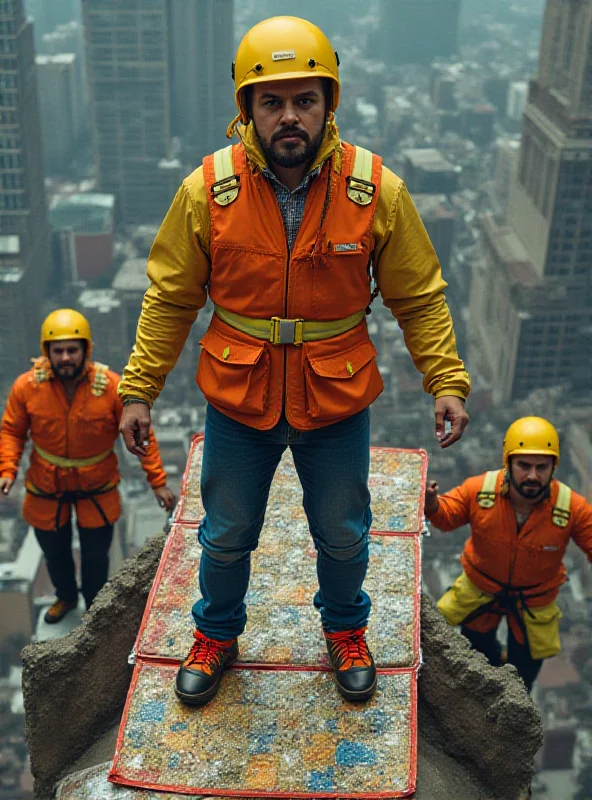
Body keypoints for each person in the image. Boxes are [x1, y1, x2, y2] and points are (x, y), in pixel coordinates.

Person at [118, 16, 470, 707]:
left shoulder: (375, 191)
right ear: (246, 108)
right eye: (271, 100)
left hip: (334, 398)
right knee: (224, 534)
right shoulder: (208, 191)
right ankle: (216, 633)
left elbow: (419, 297)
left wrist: (446, 380)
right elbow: (169, 299)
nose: (289, 117)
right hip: (239, 395)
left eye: (304, 100)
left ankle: (345, 631)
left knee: (342, 531)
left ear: (328, 103)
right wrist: (138, 391)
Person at [0, 309, 175, 624]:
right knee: (55, 553)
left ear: (86, 350)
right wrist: (8, 470)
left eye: (72, 350)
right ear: (47, 352)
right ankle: (65, 596)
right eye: (59, 351)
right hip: (46, 485)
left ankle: (94, 606)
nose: (66, 357)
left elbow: (140, 433)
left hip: (97, 484)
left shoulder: (110, 387)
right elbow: (12, 431)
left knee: (96, 556)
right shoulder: (27, 388)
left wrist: (158, 481)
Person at [425, 416, 592, 692]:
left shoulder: (571, 508)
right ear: (509, 463)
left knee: (524, 671)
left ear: (554, 467)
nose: (532, 476)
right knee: (476, 656)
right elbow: (447, 516)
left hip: (534, 600)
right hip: (480, 589)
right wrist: (432, 506)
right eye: (524, 465)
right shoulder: (480, 491)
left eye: (542, 467)